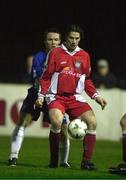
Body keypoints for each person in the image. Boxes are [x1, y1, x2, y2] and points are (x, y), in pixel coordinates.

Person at [36, 25, 107, 169]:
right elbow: (46, 77)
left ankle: (86, 162)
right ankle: (54, 161)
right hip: (56, 96)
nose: (74, 41)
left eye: (77, 38)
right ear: (66, 38)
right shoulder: (55, 52)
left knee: (92, 122)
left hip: (74, 97)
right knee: (56, 122)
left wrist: (96, 96)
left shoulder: (85, 56)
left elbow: (86, 79)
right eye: (71, 38)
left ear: (80, 39)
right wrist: (41, 96)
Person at [8, 28, 71, 168]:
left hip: (55, 98)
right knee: (22, 121)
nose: (53, 42)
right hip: (37, 94)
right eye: (50, 39)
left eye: (56, 40)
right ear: (45, 42)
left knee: (63, 128)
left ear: (60, 41)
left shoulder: (67, 58)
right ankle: (13, 157)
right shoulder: (39, 57)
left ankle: (64, 161)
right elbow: (38, 80)